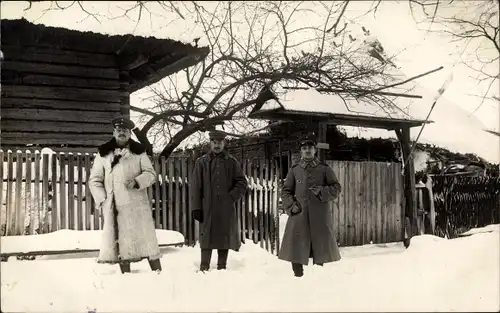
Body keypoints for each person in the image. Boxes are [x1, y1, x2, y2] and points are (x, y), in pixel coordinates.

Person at [88, 117, 162, 274]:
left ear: (130, 134)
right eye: (119, 130)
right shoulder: (103, 153)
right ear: (114, 132)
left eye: (125, 131)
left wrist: (137, 181)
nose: (122, 133)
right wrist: (103, 199)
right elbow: (94, 180)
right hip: (115, 205)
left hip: (137, 205)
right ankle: (125, 275)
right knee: (121, 241)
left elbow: (151, 174)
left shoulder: (139, 152)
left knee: (146, 240)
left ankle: (158, 273)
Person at [278, 132, 342, 277]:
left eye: (310, 147)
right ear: (301, 151)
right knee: (296, 246)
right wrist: (291, 205)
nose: (307, 150)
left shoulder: (324, 169)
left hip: (319, 215)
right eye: (304, 148)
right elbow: (286, 191)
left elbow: (337, 188)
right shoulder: (295, 170)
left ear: (315, 150)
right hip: (299, 214)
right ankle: (297, 276)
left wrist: (322, 191)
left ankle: (317, 278)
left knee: (319, 247)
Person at [191, 130, 248, 272]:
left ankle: (222, 267)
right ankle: (204, 266)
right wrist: (196, 207)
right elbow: (195, 186)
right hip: (207, 207)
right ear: (210, 143)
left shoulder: (231, 162)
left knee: (224, 235)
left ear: (224, 143)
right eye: (214, 142)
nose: (217, 145)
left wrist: (231, 197)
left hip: (225, 208)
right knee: (206, 236)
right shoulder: (201, 162)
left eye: (220, 142)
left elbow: (242, 182)